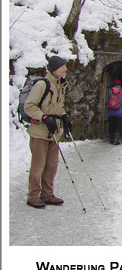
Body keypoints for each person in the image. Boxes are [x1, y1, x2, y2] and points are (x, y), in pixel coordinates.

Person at [23, 56, 72, 209]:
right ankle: (33, 195)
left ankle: (47, 194)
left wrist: (63, 116)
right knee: (38, 165)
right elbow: (29, 106)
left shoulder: (60, 85)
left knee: (51, 165)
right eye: (62, 67)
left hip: (54, 132)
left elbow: (56, 106)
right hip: (40, 131)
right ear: (54, 69)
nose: (65, 69)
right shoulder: (42, 84)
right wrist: (44, 117)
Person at [106, 79, 122, 145]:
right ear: (120, 85)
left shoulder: (110, 91)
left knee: (112, 124)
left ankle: (111, 138)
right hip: (119, 111)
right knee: (118, 125)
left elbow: (108, 100)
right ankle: (116, 139)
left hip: (111, 111)